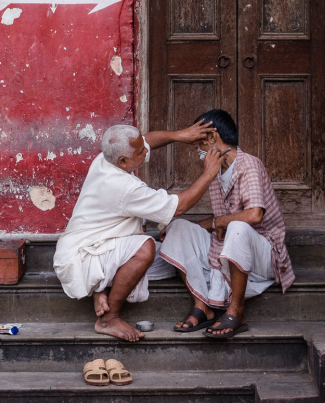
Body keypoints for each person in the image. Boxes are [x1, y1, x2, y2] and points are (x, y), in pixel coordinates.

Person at [54, 121, 218, 341]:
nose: (146, 151)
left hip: (101, 246)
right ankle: (109, 318)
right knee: (145, 247)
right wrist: (208, 173)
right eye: (141, 152)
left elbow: (147, 141)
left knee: (173, 255)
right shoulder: (125, 187)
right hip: (83, 256)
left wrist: (180, 135)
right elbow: (179, 207)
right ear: (123, 161)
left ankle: (101, 288)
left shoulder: (105, 159)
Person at [158, 110, 294, 339]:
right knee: (177, 228)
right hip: (226, 244)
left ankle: (236, 310)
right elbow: (218, 222)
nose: (196, 147)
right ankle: (202, 307)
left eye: (199, 141)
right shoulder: (215, 170)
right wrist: (207, 224)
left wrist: (218, 222)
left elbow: (254, 215)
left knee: (237, 227)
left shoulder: (248, 164)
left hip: (264, 252)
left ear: (213, 137)